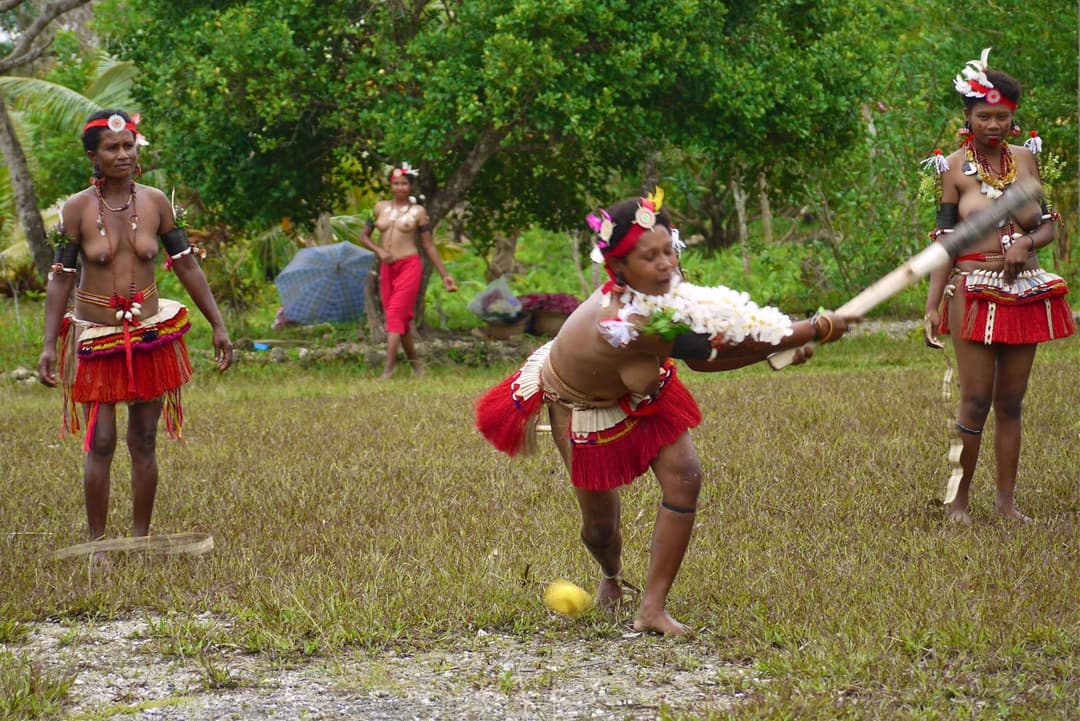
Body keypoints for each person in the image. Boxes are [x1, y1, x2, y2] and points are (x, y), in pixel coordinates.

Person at [475, 191, 853, 635]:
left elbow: (701, 354)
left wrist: (780, 348)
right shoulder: (625, 321)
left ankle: (652, 608)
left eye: (668, 250)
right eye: (649, 257)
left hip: (643, 389)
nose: (665, 264)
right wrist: (813, 328)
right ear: (618, 270)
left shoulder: (663, 297)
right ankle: (612, 576)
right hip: (580, 405)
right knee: (599, 529)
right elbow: (707, 350)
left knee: (685, 475)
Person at [37, 109, 234, 561]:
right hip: (97, 334)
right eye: (112, 148)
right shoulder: (78, 208)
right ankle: (99, 543)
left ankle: (141, 539)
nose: (122, 154)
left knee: (144, 439)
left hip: (149, 333)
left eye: (128, 146)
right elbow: (61, 277)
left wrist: (218, 325)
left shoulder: (156, 203)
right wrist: (49, 344)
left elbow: (185, 265)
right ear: (94, 155)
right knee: (101, 440)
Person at [922, 49, 1074, 524]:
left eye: (1001, 116)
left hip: (1024, 288)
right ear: (967, 117)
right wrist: (932, 306)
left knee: (1011, 401)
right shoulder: (952, 167)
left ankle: (1007, 504)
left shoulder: (1028, 160)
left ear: (1013, 119)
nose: (992, 124)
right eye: (983, 116)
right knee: (975, 399)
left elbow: (1049, 226)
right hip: (971, 288)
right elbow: (945, 242)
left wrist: (1027, 242)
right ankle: (959, 502)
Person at [360, 163, 458, 379]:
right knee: (400, 322)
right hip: (387, 267)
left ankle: (388, 370)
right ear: (390, 185)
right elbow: (364, 236)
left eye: (404, 183)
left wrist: (445, 275)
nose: (400, 188)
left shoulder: (418, 212)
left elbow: (429, 245)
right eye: (396, 183)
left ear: (411, 186)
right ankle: (416, 367)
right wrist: (379, 251)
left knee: (394, 314)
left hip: (409, 266)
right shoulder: (378, 207)